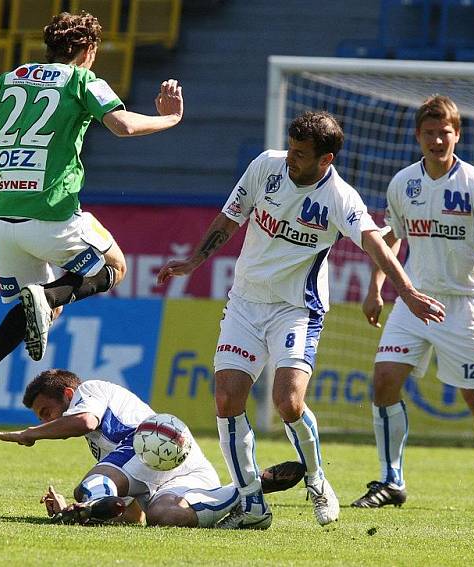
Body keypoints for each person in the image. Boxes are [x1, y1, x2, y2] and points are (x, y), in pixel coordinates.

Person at [156, 111, 445, 529]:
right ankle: (252, 503)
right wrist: (194, 261)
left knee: (288, 401)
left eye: (301, 153)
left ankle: (316, 477)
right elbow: (230, 216)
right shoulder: (265, 166)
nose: (290, 158)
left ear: (325, 159)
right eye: (291, 148)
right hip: (246, 302)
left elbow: (375, 245)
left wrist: (408, 293)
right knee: (226, 399)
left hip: (297, 309)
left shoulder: (340, 198)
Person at [0, 11, 184, 418]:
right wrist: (171, 117)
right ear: (89, 50)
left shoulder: (9, 79)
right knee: (112, 267)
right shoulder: (83, 81)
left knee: (42, 310)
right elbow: (123, 126)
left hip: (2, 219)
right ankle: (45, 296)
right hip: (51, 212)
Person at [350, 95, 474, 513]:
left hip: (463, 305)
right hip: (414, 300)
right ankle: (392, 481)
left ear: (457, 135)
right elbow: (391, 239)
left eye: (445, 132)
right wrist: (376, 287)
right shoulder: (403, 183)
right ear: (418, 136)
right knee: (384, 380)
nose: (437, 140)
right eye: (430, 133)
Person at [0, 369, 306, 527]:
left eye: (47, 412)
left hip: (153, 443)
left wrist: (30, 433)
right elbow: (131, 516)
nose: (49, 421)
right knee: (163, 516)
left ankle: (87, 504)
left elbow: (85, 422)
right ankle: (250, 491)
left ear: (67, 393)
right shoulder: (104, 449)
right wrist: (76, 511)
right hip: (182, 471)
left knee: (91, 485)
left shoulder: (88, 391)